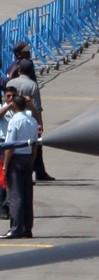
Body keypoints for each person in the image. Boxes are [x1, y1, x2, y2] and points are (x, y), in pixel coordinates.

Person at [6, 46, 49, 182]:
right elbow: (37, 107)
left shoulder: (11, 82)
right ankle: (32, 173)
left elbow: (6, 98)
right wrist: (40, 123)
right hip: (29, 118)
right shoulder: (32, 85)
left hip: (11, 116)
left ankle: (11, 172)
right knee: (33, 146)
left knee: (12, 144)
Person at [2, 86, 37, 239]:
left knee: (15, 195)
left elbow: (10, 146)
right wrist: (32, 159)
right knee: (27, 194)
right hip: (28, 158)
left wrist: (5, 165)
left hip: (16, 159)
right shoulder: (32, 120)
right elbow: (35, 143)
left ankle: (15, 228)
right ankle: (27, 228)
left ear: (14, 106)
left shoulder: (14, 121)